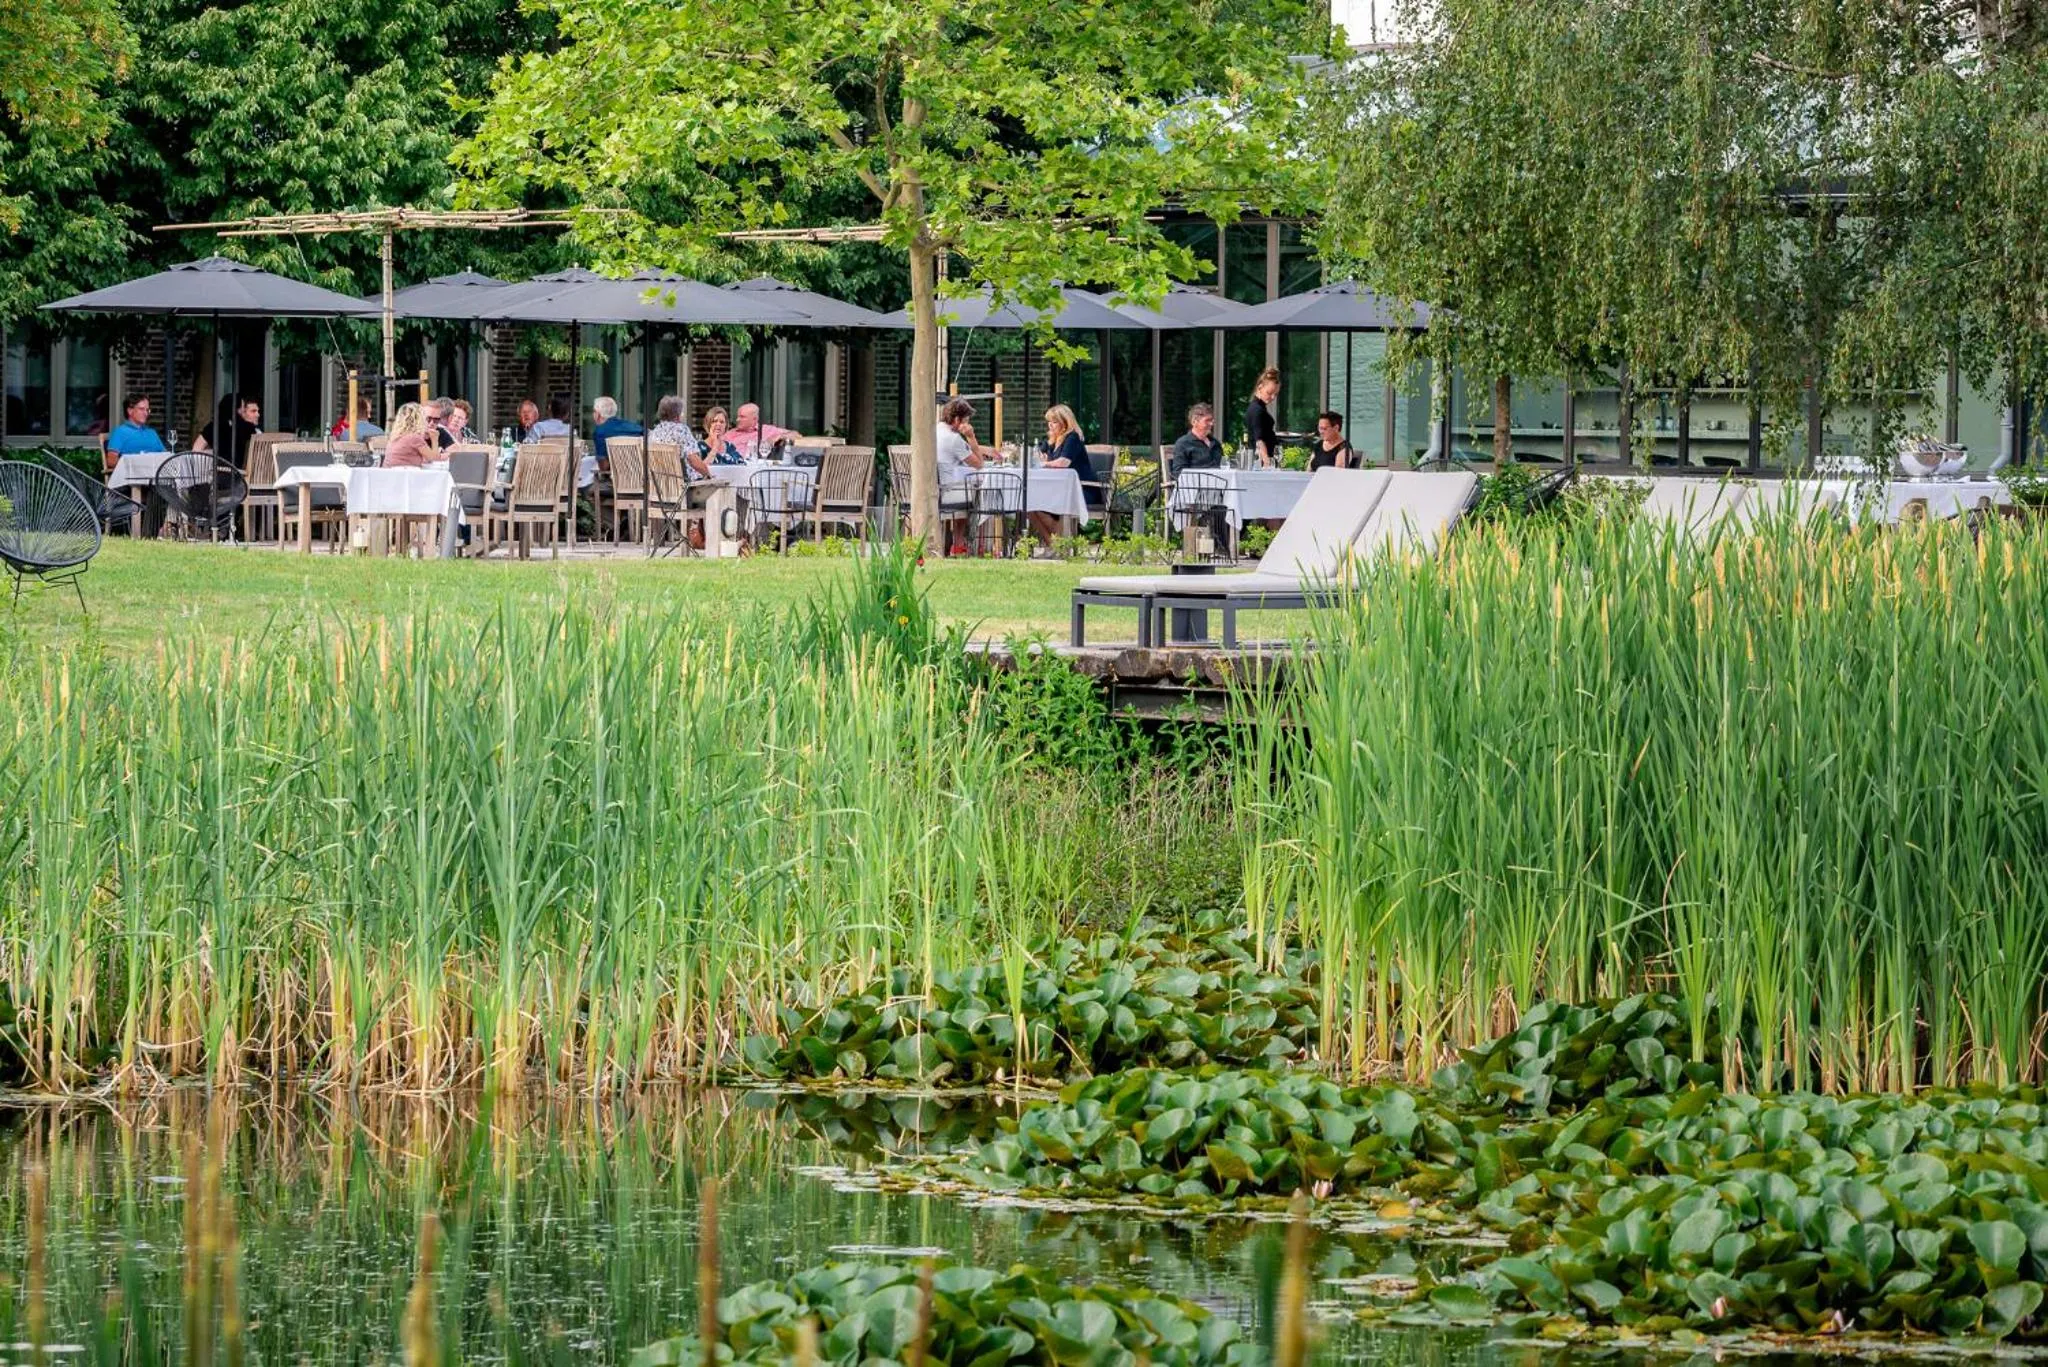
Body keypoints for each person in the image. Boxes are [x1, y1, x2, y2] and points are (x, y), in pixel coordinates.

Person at [1028, 403, 1101, 550]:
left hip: (1082, 489)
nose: (1050, 425)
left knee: (1043, 502)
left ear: (1065, 423)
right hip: (1059, 489)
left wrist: (1045, 463)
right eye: (1049, 422)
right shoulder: (1051, 440)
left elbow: (1063, 462)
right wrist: (1040, 457)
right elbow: (1039, 456)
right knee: (1030, 504)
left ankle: (1060, 544)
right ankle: (1055, 544)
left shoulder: (1072, 438)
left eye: (1054, 422)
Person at [937, 397, 992, 556]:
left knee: (965, 489)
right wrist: (971, 436)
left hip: (933, 489)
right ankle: (960, 545)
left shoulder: (935, 430)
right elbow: (979, 464)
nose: (968, 425)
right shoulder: (954, 439)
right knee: (974, 494)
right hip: (945, 493)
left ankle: (956, 545)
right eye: (966, 421)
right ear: (956, 420)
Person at [649, 395, 711, 480]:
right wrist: (708, 474)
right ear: (677, 415)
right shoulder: (682, 430)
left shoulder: (655, 432)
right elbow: (693, 460)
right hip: (684, 485)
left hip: (659, 484)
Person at [194, 394, 261, 469]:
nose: (243, 411)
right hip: (241, 473)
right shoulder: (250, 428)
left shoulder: (214, 426)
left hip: (219, 472)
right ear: (236, 410)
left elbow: (196, 449)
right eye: (242, 408)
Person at [725, 402, 801, 459]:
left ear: (754, 419)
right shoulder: (730, 434)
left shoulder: (767, 430)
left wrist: (778, 437)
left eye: (742, 417)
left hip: (758, 470)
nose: (737, 420)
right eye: (738, 416)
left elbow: (796, 435)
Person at [1170, 402, 1225, 477]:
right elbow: (1178, 473)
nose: (1211, 424)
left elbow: (1223, 466)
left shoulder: (1215, 443)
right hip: (1196, 486)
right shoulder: (1183, 444)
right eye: (1207, 420)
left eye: (1212, 420)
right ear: (1194, 422)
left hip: (1219, 485)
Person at [590, 395, 643, 468]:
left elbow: (603, 466)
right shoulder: (634, 427)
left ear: (598, 414)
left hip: (615, 477)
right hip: (640, 473)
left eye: (594, 411)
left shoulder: (600, 432)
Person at [380, 402, 435, 468]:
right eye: (426, 419)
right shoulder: (415, 438)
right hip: (404, 476)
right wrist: (434, 439)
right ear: (420, 419)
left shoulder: (395, 436)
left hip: (389, 474)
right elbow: (433, 458)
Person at [1245, 368, 1281, 468]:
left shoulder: (1257, 407)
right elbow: (1259, 440)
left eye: (1276, 394)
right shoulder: (1257, 410)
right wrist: (1267, 464)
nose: (1273, 397)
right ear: (1260, 388)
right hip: (1262, 461)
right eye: (1269, 393)